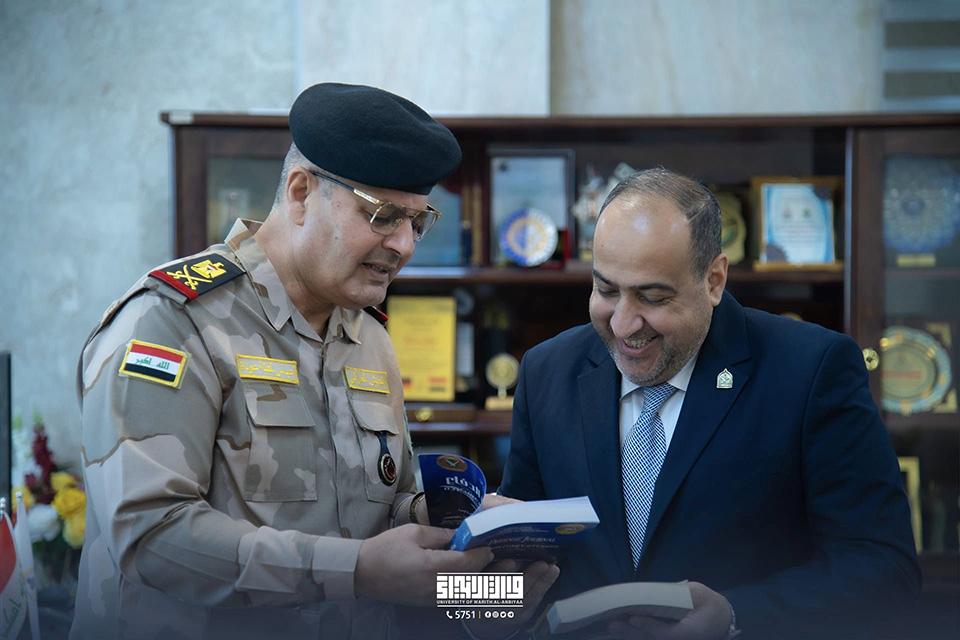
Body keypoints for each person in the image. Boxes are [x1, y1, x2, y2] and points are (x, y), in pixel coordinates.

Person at [72, 83, 551, 640]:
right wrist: (358, 571)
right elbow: (149, 535)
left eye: (417, 222)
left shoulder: (368, 335)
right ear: (300, 193)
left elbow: (378, 520)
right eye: (382, 215)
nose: (404, 245)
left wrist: (469, 556)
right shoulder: (173, 321)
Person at [499, 167, 921, 639]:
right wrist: (484, 608)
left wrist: (737, 616)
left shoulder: (812, 369)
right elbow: (514, 562)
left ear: (714, 280)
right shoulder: (546, 370)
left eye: (652, 297)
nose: (621, 324)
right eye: (606, 290)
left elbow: (886, 568)